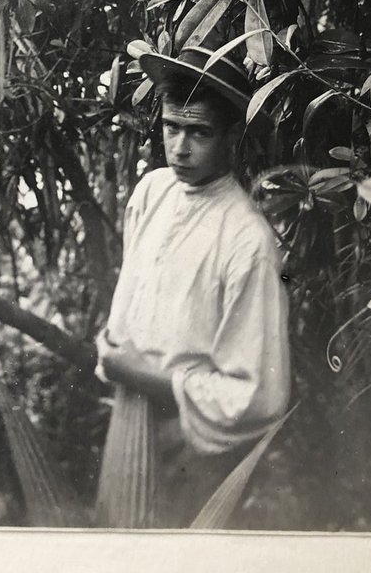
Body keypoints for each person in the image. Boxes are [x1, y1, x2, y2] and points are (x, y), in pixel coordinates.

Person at [94, 44, 291, 529]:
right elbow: (136, 301)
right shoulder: (152, 194)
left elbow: (258, 393)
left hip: (188, 445)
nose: (180, 147)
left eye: (199, 132)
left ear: (231, 135)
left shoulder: (247, 240)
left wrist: (150, 378)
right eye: (171, 127)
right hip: (128, 420)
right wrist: (118, 354)